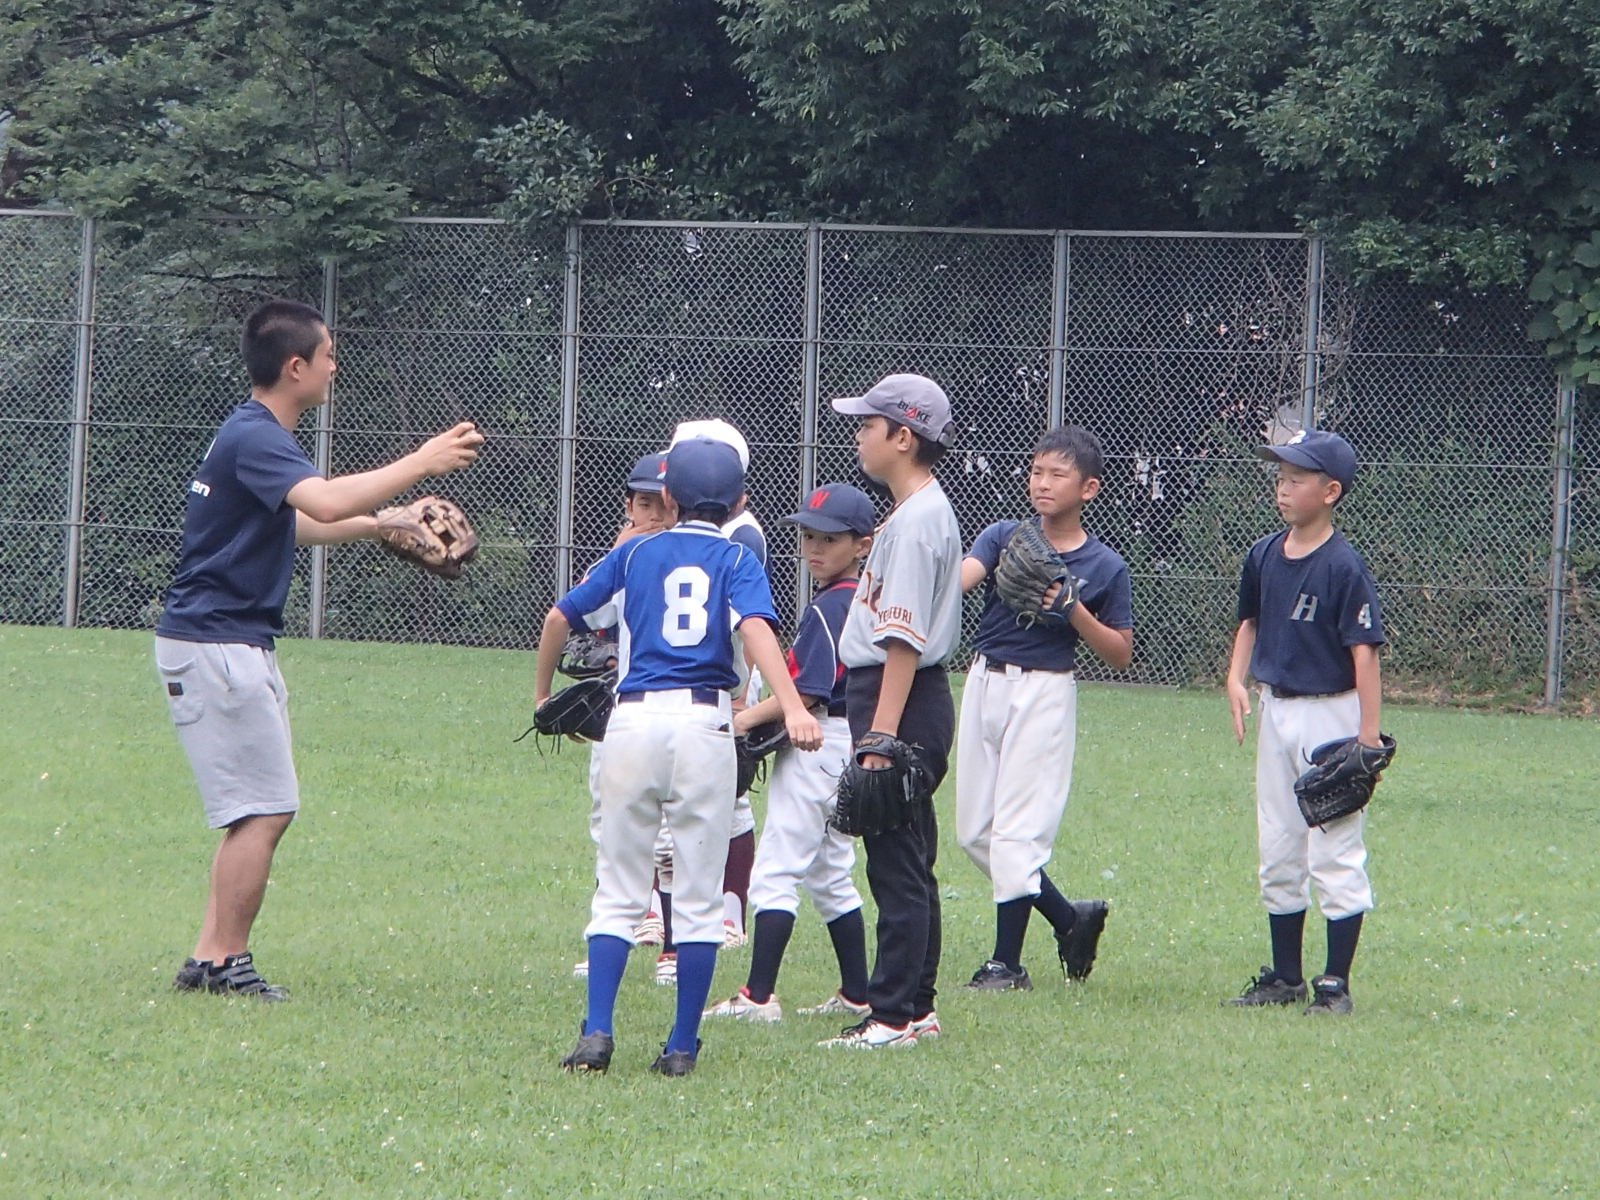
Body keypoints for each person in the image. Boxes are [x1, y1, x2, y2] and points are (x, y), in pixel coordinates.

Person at [157, 298, 482, 1000]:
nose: (336, 365)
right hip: (218, 642)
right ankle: (227, 963)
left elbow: (299, 523)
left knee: (255, 809)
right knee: (266, 810)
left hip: (224, 640)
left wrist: (382, 523)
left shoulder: (253, 434)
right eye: (328, 354)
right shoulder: (258, 435)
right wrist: (422, 462)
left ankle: (208, 956)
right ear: (295, 367)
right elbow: (325, 502)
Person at [537, 437, 822, 1076]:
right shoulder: (737, 556)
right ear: (740, 501)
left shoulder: (634, 550)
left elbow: (560, 617)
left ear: (667, 497)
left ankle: (598, 1032)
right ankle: (681, 1045)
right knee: (696, 896)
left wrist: (541, 695)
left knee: (619, 887)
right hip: (703, 725)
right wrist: (793, 706)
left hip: (633, 722)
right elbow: (755, 628)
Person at [955, 426, 1133, 992]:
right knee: (974, 833)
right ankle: (1067, 918)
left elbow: (1121, 654)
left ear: (1089, 488)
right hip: (984, 679)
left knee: (1016, 835)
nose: (1043, 483)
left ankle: (1006, 965)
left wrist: (1075, 610)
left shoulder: (1105, 565)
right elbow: (963, 578)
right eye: (1037, 471)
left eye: (1058, 474)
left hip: (1044, 691)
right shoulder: (1006, 536)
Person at [816, 373, 963, 1050]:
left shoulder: (916, 522)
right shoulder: (917, 513)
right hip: (908, 697)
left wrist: (879, 736)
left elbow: (901, 641)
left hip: (897, 696)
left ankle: (894, 1015)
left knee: (895, 863)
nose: (858, 435)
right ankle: (916, 1007)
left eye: (868, 425)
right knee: (911, 857)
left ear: (903, 437)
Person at [1224, 430, 1386, 1016]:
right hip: (1278, 709)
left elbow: (1365, 652)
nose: (1283, 487)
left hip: (1330, 714)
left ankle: (1335, 983)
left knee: (1334, 847)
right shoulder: (1264, 553)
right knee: (1278, 843)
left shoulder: (1343, 565)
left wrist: (1367, 738)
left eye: (1297, 479)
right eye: (1281, 477)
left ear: (1331, 491)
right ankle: (1286, 977)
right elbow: (1249, 621)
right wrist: (1236, 679)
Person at [702, 483, 877, 1023]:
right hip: (850, 741)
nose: (815, 548)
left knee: (776, 871)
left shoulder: (829, 607)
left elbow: (806, 692)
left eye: (830, 539)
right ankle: (858, 993)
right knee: (830, 872)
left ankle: (758, 997)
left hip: (816, 742)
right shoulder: (865, 598)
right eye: (808, 537)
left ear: (862, 545)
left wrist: (743, 720)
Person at [571, 451, 674, 979]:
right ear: (628, 507)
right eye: (644, 504)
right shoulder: (626, 558)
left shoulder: (694, 558)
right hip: (627, 711)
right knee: (608, 825)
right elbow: (588, 612)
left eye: (664, 504)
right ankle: (614, 935)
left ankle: (673, 946)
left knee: (672, 837)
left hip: (679, 712)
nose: (653, 515)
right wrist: (617, 551)